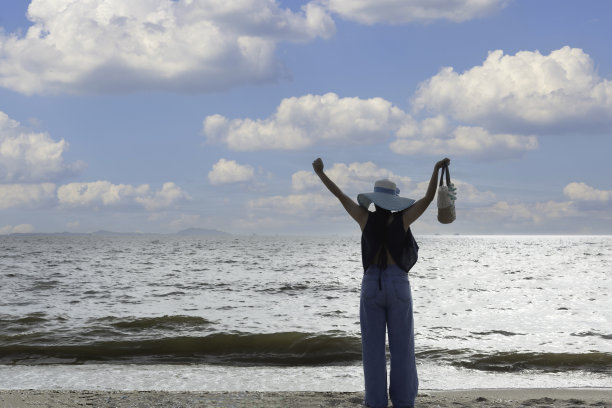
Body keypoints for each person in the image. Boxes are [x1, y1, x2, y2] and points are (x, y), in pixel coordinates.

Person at [312, 157, 450, 408]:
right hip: (398, 284)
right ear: (394, 201)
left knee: (373, 350)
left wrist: (321, 173)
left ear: (375, 200)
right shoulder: (403, 219)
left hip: (371, 285)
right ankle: (403, 401)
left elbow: (340, 195)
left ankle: (375, 401)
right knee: (403, 349)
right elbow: (428, 199)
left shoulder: (364, 218)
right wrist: (435, 169)